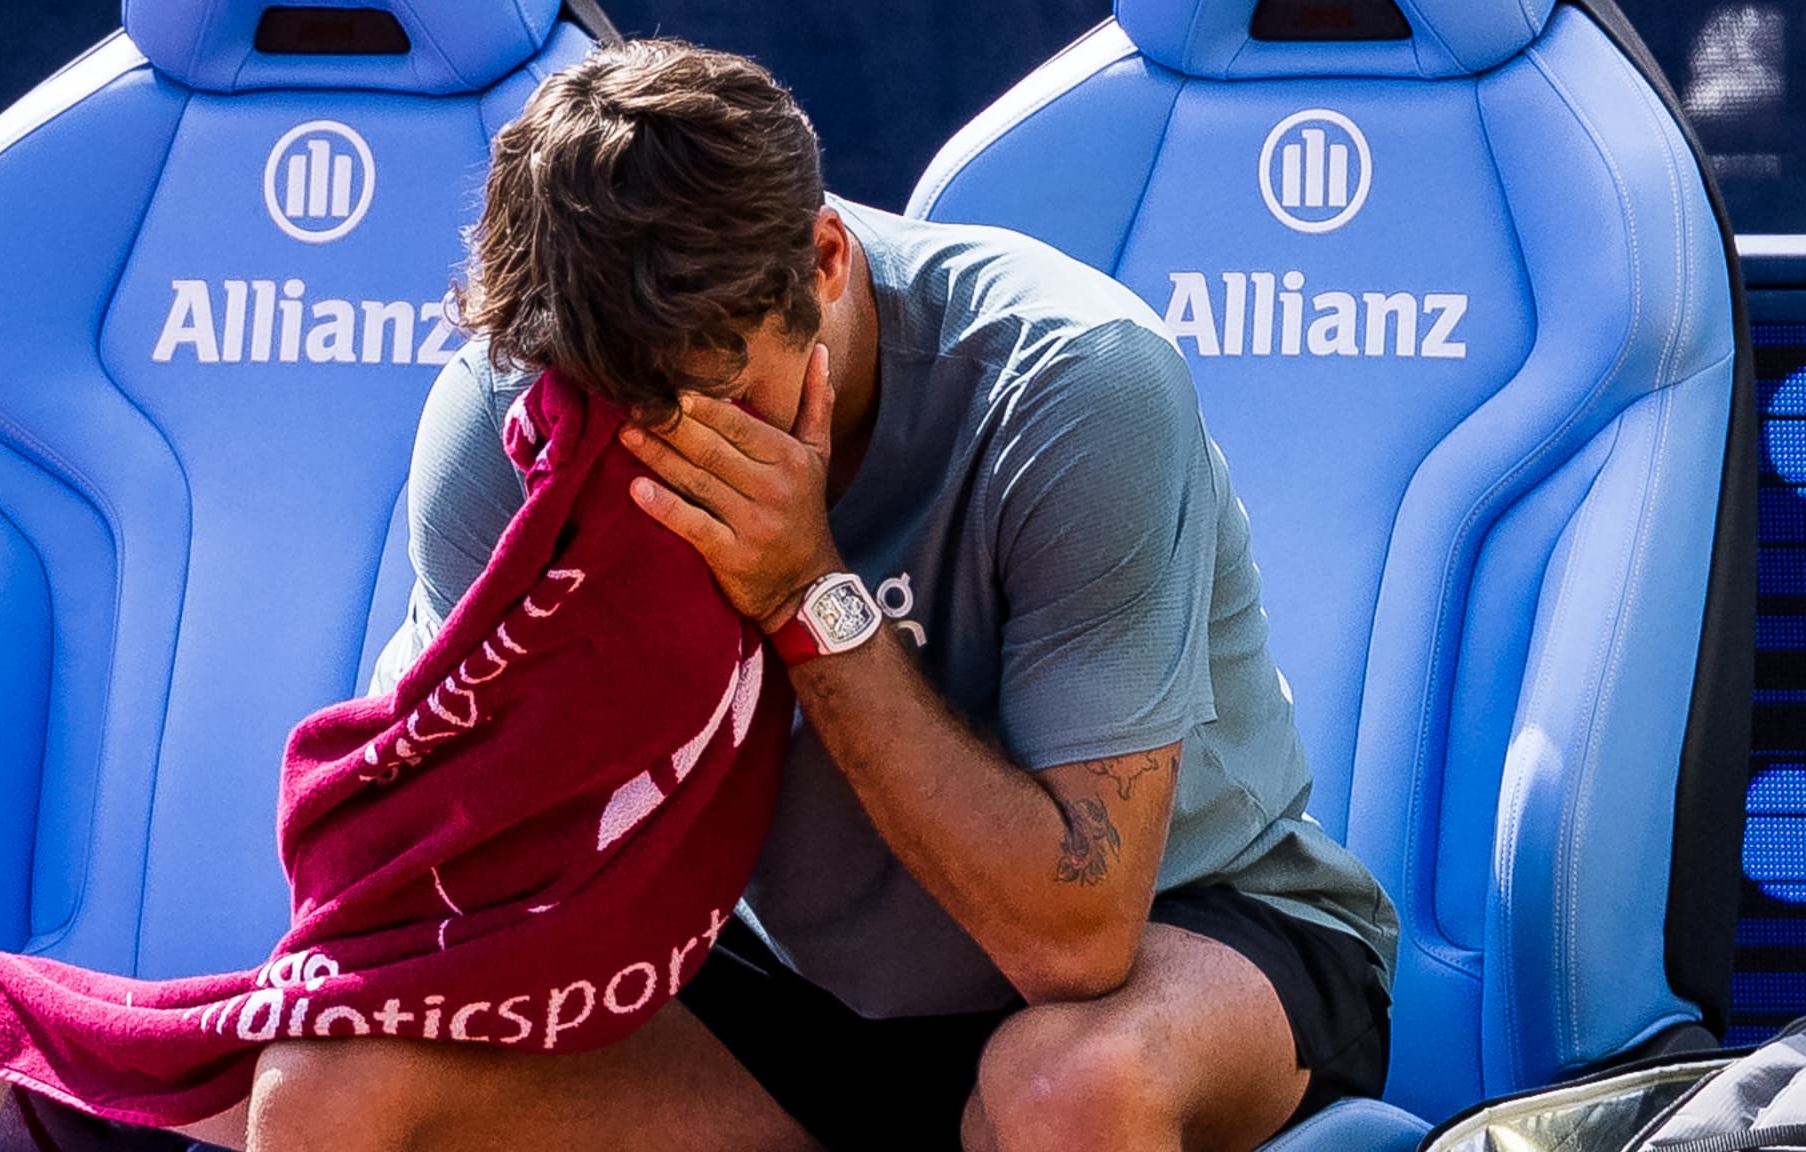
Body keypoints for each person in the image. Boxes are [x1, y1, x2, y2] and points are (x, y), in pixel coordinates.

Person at [214, 37, 1399, 1152]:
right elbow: (434, 881)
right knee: (323, 1082)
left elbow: (1070, 942)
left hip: (1170, 942)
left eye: (718, 399)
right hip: (776, 978)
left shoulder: (1073, 381)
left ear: (825, 260)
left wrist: (803, 590)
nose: (668, 450)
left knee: (1066, 1087)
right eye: (612, 413)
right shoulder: (514, 412)